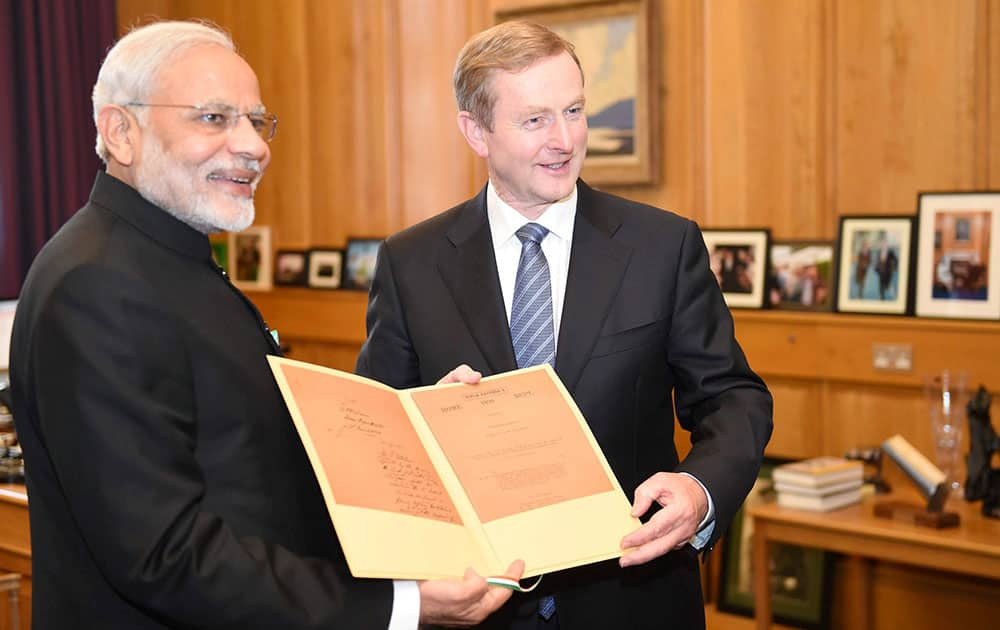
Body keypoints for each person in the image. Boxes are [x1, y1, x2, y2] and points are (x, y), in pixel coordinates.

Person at [9, 20, 519, 630]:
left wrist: (411, 431)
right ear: (121, 132)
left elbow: (246, 451)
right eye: (214, 118)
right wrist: (401, 605)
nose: (253, 145)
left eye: (256, 120)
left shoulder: (171, 258)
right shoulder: (97, 284)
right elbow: (165, 555)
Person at [356, 21, 773, 630]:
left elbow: (733, 397)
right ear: (475, 131)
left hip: (634, 597)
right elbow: (376, 439)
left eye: (574, 110)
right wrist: (425, 423)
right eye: (534, 120)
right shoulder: (409, 262)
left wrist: (700, 490)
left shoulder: (663, 245)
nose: (564, 139)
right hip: (475, 605)